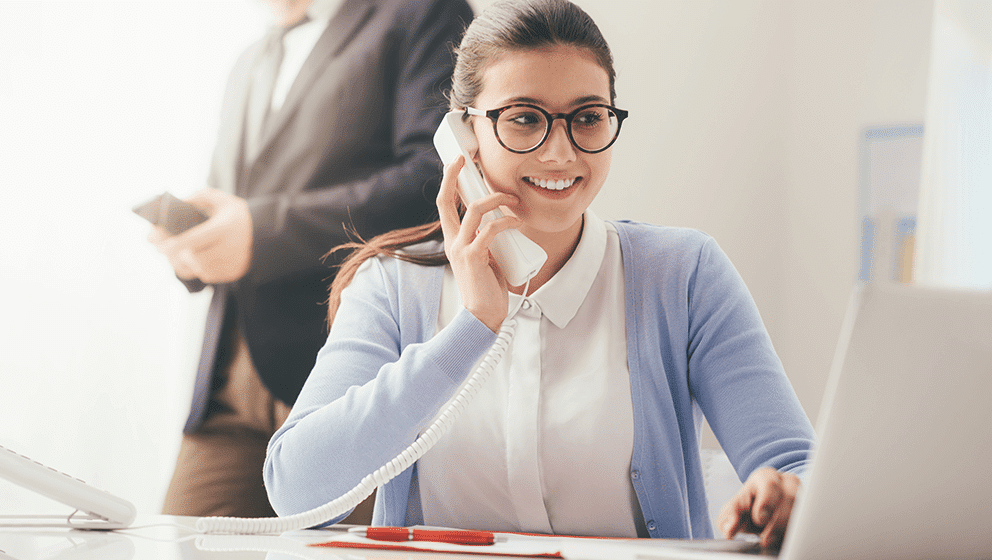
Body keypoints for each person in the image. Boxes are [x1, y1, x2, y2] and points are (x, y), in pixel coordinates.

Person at [264, 0, 815, 549]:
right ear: (463, 136)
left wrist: (788, 495)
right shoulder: (393, 286)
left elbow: (799, 467)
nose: (560, 152)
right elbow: (297, 494)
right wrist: (471, 329)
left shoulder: (684, 275)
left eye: (588, 117)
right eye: (524, 118)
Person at [149, 0, 473, 519]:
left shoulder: (422, 14)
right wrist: (195, 247)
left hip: (350, 368)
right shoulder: (248, 61)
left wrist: (262, 233)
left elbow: (434, 175)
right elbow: (230, 201)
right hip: (229, 384)